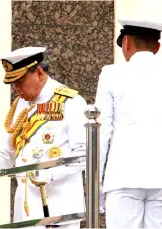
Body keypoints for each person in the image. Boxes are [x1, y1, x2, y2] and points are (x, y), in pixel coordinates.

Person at [0, 47, 87, 228]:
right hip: (26, 210)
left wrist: (47, 173)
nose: (16, 88)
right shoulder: (21, 105)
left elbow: (85, 154)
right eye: (12, 83)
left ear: (39, 72)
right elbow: (6, 154)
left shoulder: (71, 103)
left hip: (58, 210)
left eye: (20, 81)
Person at [96, 18, 162, 228]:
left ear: (126, 43)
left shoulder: (112, 74)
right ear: (157, 47)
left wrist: (95, 182)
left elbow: (101, 130)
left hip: (123, 177)